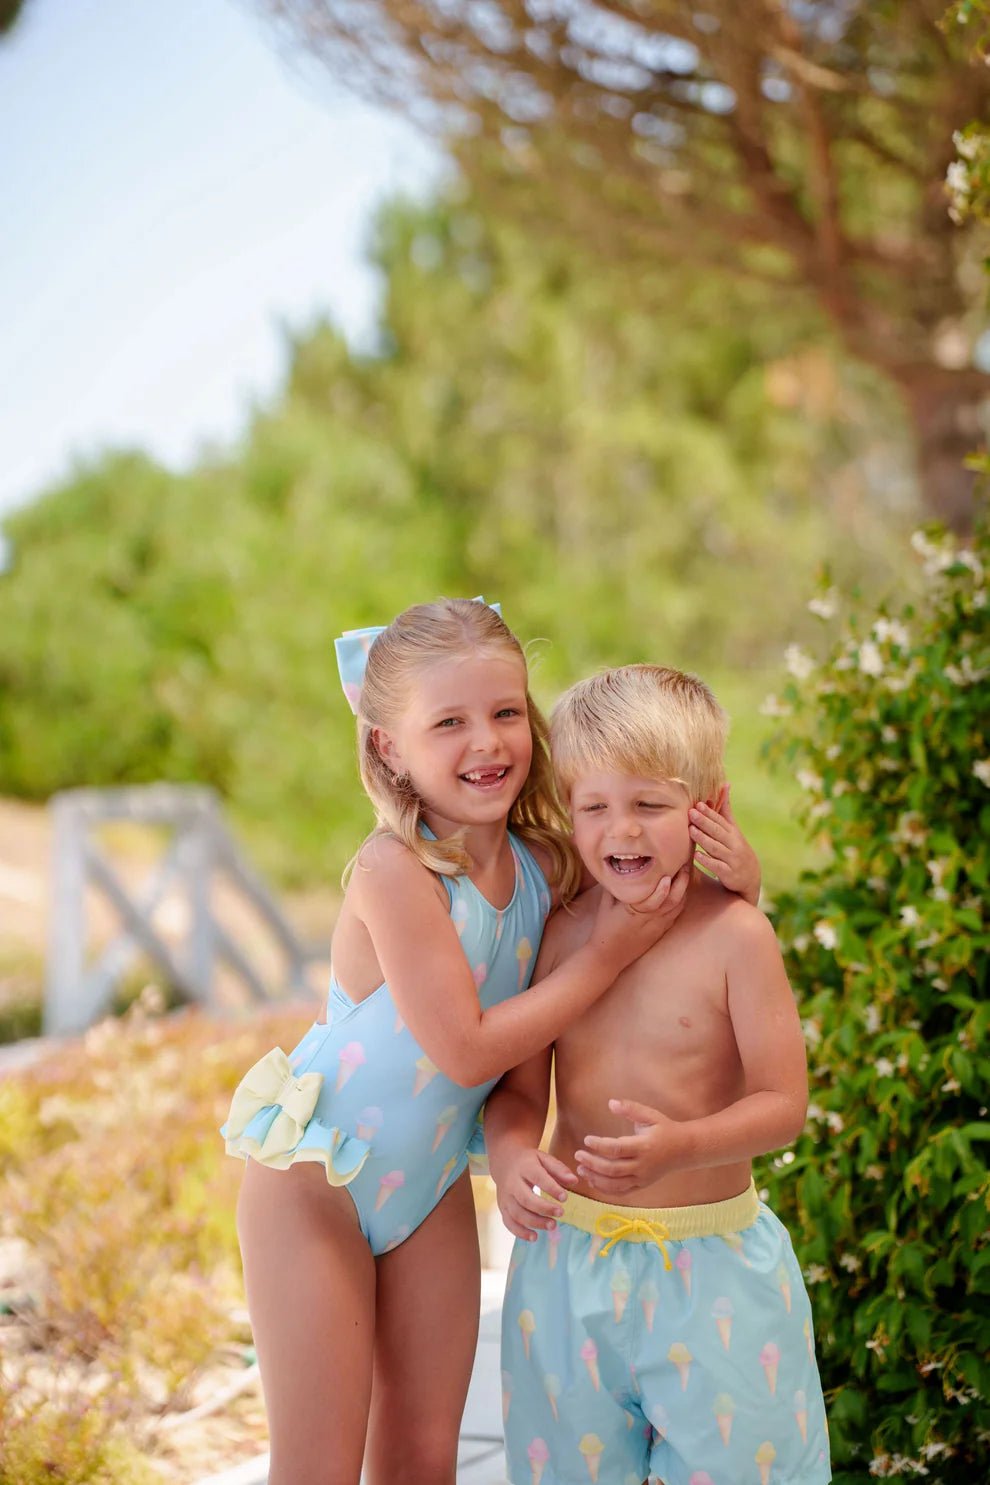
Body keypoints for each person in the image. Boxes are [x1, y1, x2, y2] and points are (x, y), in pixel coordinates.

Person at [221, 601, 721, 1485]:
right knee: (319, 1464)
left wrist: (739, 874)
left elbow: (651, 864)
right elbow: (463, 1048)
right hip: (316, 1179)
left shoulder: (549, 864)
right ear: (387, 746)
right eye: (447, 722)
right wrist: (604, 954)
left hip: (429, 1187)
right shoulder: (393, 869)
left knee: (422, 1459)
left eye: (504, 712)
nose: (486, 742)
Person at [487, 665, 830, 1485]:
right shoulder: (561, 934)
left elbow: (785, 1105)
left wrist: (683, 1145)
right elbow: (521, 1089)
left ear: (707, 807)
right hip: (569, 1264)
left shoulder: (737, 936)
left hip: (711, 1269)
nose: (622, 832)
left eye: (650, 804)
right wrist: (507, 1159)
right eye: (595, 806)